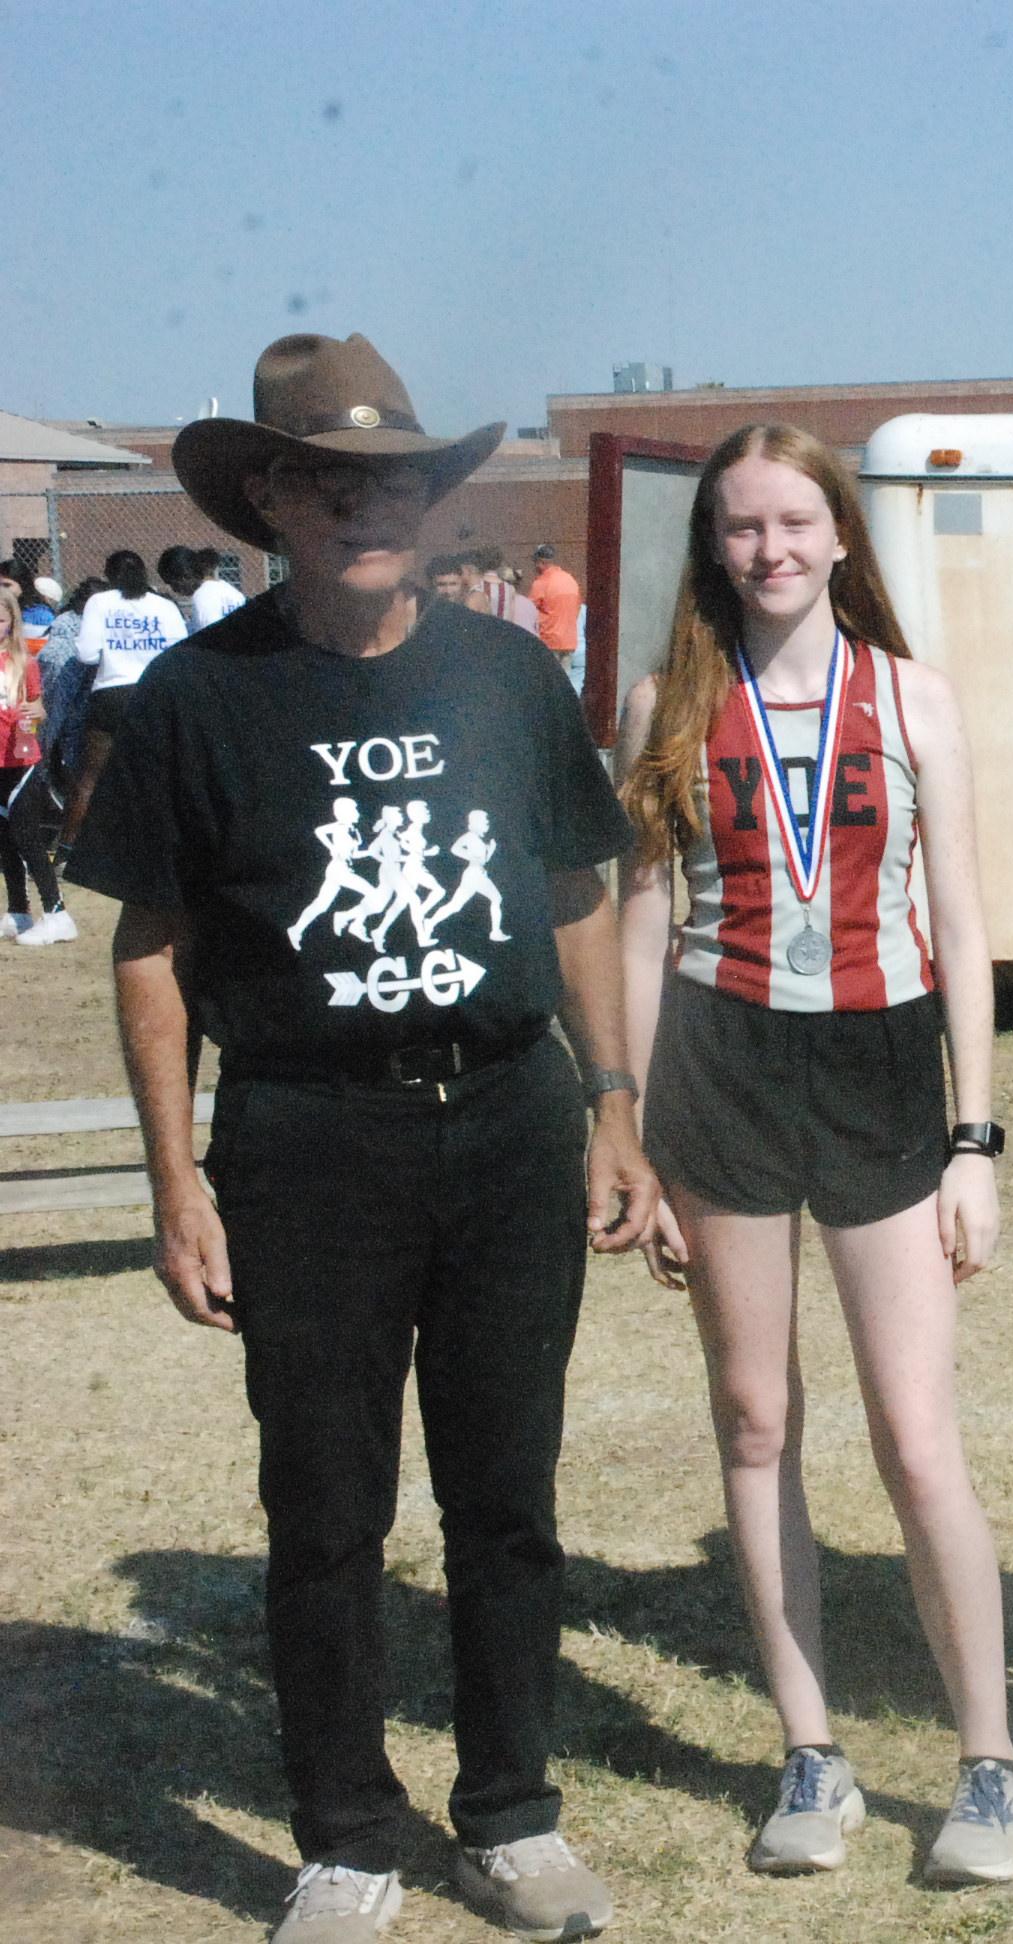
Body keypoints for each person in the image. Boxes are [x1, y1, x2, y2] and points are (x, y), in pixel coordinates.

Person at [65, 332, 653, 1943]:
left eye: (391, 477)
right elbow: (151, 949)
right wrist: (178, 1180)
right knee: (325, 1511)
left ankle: (512, 1817)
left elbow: (579, 891)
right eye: (327, 480)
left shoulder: (505, 673)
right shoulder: (199, 695)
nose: (364, 506)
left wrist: (613, 1104)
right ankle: (344, 1836)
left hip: (509, 1120)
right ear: (271, 498)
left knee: (505, 1496)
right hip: (307, 1137)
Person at [614, 422, 1013, 1884]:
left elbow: (970, 928)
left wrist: (973, 1139)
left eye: (796, 523)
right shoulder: (667, 703)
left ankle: (988, 1761)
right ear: (711, 545)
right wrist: (643, 1138)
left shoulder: (912, 697)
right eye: (742, 527)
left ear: (842, 536)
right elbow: (648, 921)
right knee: (751, 1418)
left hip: (878, 1068)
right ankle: (813, 1749)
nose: (770, 550)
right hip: (722, 1074)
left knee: (916, 1437)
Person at [59, 548, 189, 852]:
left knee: (91, 776)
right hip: (153, 694)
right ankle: (161, 847)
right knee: (159, 775)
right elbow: (180, 652)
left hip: (111, 694)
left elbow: (86, 654)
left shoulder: (100, 603)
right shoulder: (164, 606)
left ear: (108, 575)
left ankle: (67, 848)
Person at [0, 566, 64, 942]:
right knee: (5, 840)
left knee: (27, 838)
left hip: (20, 761)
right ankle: (18, 911)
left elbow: (37, 707)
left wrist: (35, 713)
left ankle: (56, 913)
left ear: (11, 621)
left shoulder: (25, 662)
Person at [529, 542, 584, 690]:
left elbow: (529, 610)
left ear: (542, 562)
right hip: (568, 640)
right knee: (565, 684)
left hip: (548, 640)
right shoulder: (570, 580)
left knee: (547, 685)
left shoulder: (541, 583)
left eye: (536, 562)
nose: (535, 567)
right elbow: (577, 608)